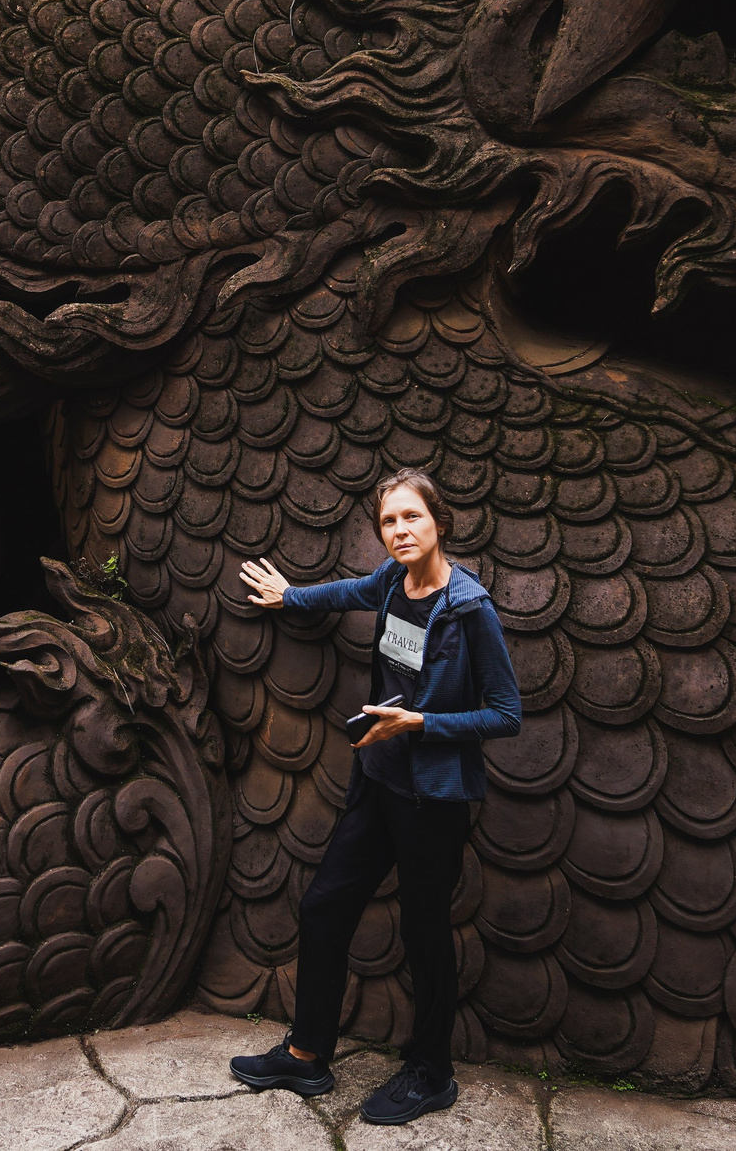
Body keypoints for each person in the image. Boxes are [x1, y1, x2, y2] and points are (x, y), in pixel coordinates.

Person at [225, 468, 523, 1126]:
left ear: (439, 522)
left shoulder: (470, 608)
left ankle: (431, 1070)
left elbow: (507, 712)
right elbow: (346, 592)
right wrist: (289, 596)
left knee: (424, 934)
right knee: (324, 906)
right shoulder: (392, 582)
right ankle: (307, 1053)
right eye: (389, 521)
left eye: (411, 517)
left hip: (432, 799)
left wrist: (423, 724)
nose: (400, 530)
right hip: (378, 782)